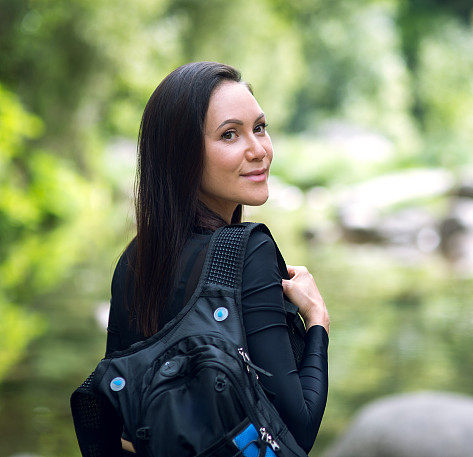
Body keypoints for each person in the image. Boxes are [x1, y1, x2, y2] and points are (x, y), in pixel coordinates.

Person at [104, 61, 331, 455]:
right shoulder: (248, 251)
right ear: (183, 155)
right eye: (230, 135)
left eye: (259, 128)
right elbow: (297, 428)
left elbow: (120, 415)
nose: (258, 149)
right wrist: (317, 320)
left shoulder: (133, 260)